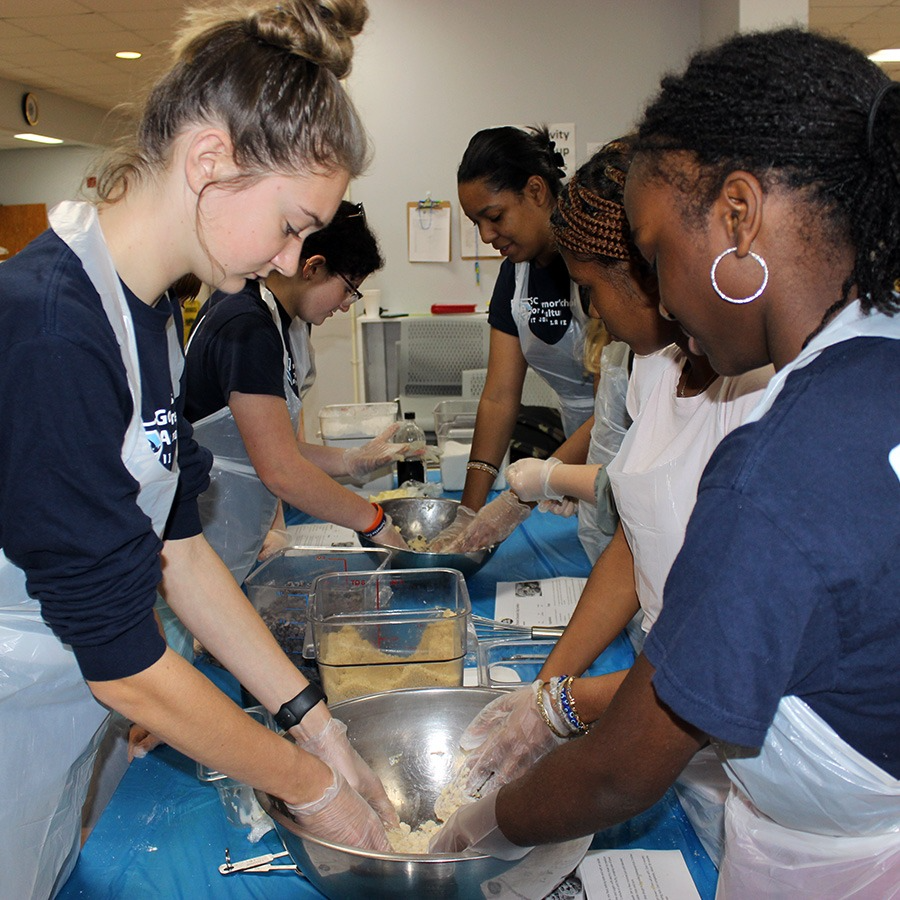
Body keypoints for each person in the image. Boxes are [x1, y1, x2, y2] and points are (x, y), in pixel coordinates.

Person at [431, 29, 900, 898]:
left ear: (738, 217)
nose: (660, 297)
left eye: (653, 256)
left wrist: (486, 824)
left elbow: (623, 771)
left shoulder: (774, 469)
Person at [0, 3, 402, 897]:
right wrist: (314, 787)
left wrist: (312, 721)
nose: (292, 256)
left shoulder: (148, 315)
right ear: (210, 162)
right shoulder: (52, 328)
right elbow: (126, 661)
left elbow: (175, 545)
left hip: (60, 719)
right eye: (294, 225)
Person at [460, 135, 772, 863]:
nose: (592, 314)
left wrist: (567, 707)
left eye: (593, 293)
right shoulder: (652, 370)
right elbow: (632, 543)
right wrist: (544, 688)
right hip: (667, 727)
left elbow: (726, 652)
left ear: (641, 271)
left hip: (729, 737)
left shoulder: (753, 392)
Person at [184, 199, 411, 591]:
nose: (345, 305)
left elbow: (265, 444)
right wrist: (373, 520)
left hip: (232, 541)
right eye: (348, 289)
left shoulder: (279, 320)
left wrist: (350, 460)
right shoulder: (246, 326)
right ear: (313, 267)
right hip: (201, 542)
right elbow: (281, 470)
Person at [431, 125, 612, 553]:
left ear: (536, 191)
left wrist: (520, 497)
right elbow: (498, 397)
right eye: (477, 222)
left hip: (618, 436)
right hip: (573, 443)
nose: (486, 236)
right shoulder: (517, 273)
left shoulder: (598, 267)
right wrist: (468, 519)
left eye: (494, 217)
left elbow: (614, 405)